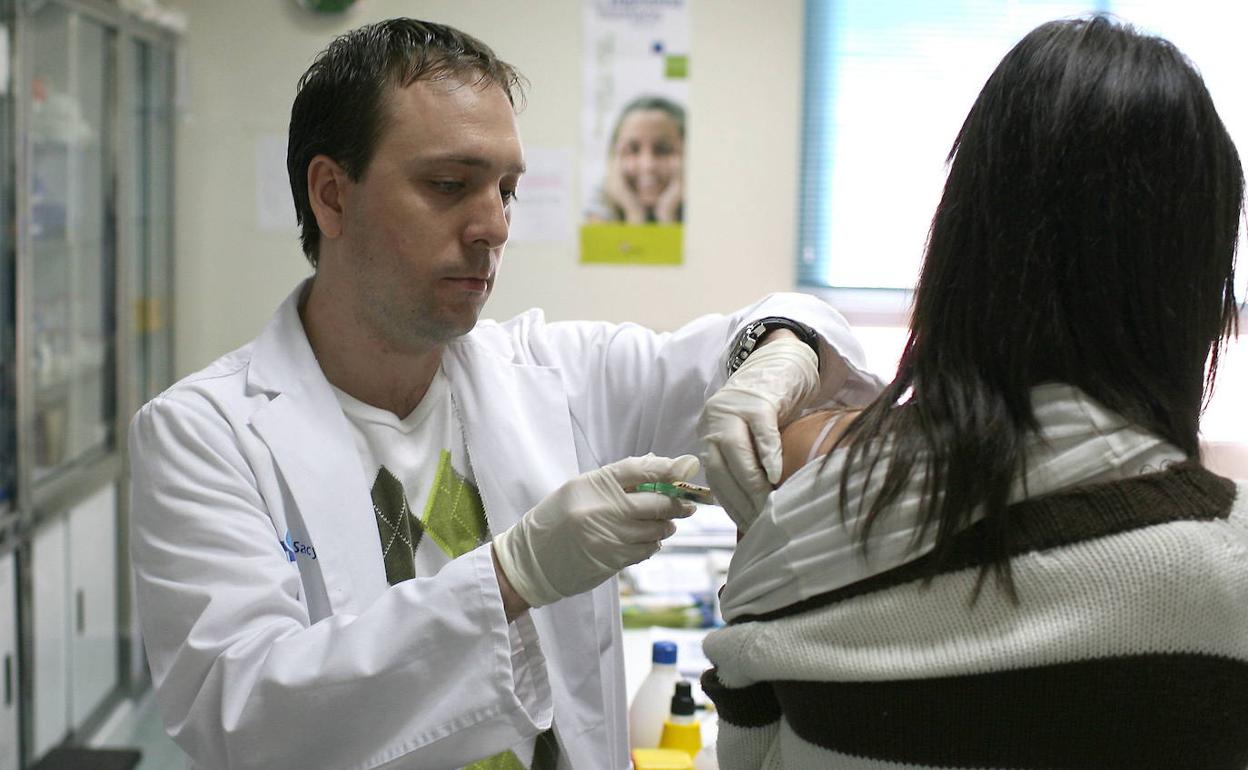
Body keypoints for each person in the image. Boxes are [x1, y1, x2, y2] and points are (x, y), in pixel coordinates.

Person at [128, 18, 881, 770]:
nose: (493, 226)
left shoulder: (551, 373)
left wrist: (772, 359)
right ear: (331, 195)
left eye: (507, 190)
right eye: (450, 185)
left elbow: (780, 325)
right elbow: (245, 720)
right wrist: (511, 577)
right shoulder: (204, 435)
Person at [700, 15, 1248, 770]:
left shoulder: (799, 527)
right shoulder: (1229, 575)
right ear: (1193, 292)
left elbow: (747, 756)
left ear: (963, 243)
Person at [587, 95, 686, 224]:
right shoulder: (597, 210)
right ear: (613, 159)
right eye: (632, 150)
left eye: (663, 150)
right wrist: (634, 215)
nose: (648, 165)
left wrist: (667, 216)